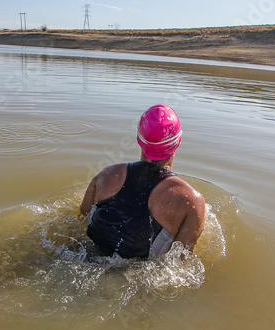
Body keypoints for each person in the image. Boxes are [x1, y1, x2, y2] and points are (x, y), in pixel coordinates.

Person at [80, 104, 205, 258]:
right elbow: (182, 258)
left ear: (139, 139)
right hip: (133, 276)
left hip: (83, 255)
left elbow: (82, 217)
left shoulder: (106, 175)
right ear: (178, 141)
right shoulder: (191, 201)